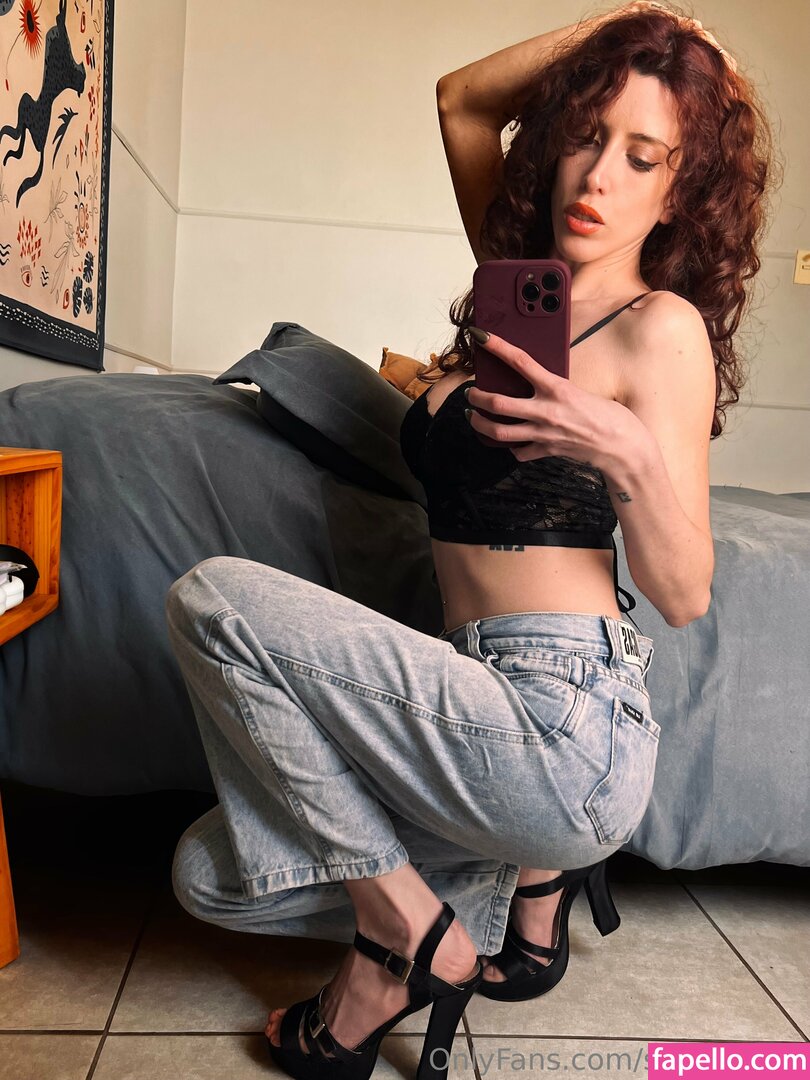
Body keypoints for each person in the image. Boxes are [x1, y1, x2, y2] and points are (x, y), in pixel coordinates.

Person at [164, 3, 776, 1078]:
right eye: (585, 135)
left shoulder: (659, 329)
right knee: (210, 875)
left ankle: (405, 940)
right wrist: (641, 23)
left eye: (643, 157)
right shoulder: (520, 291)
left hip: (567, 719)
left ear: (680, 190)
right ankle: (517, 885)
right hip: (472, 698)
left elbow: (685, 593)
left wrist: (623, 452)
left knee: (213, 600)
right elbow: (462, 101)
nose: (599, 178)